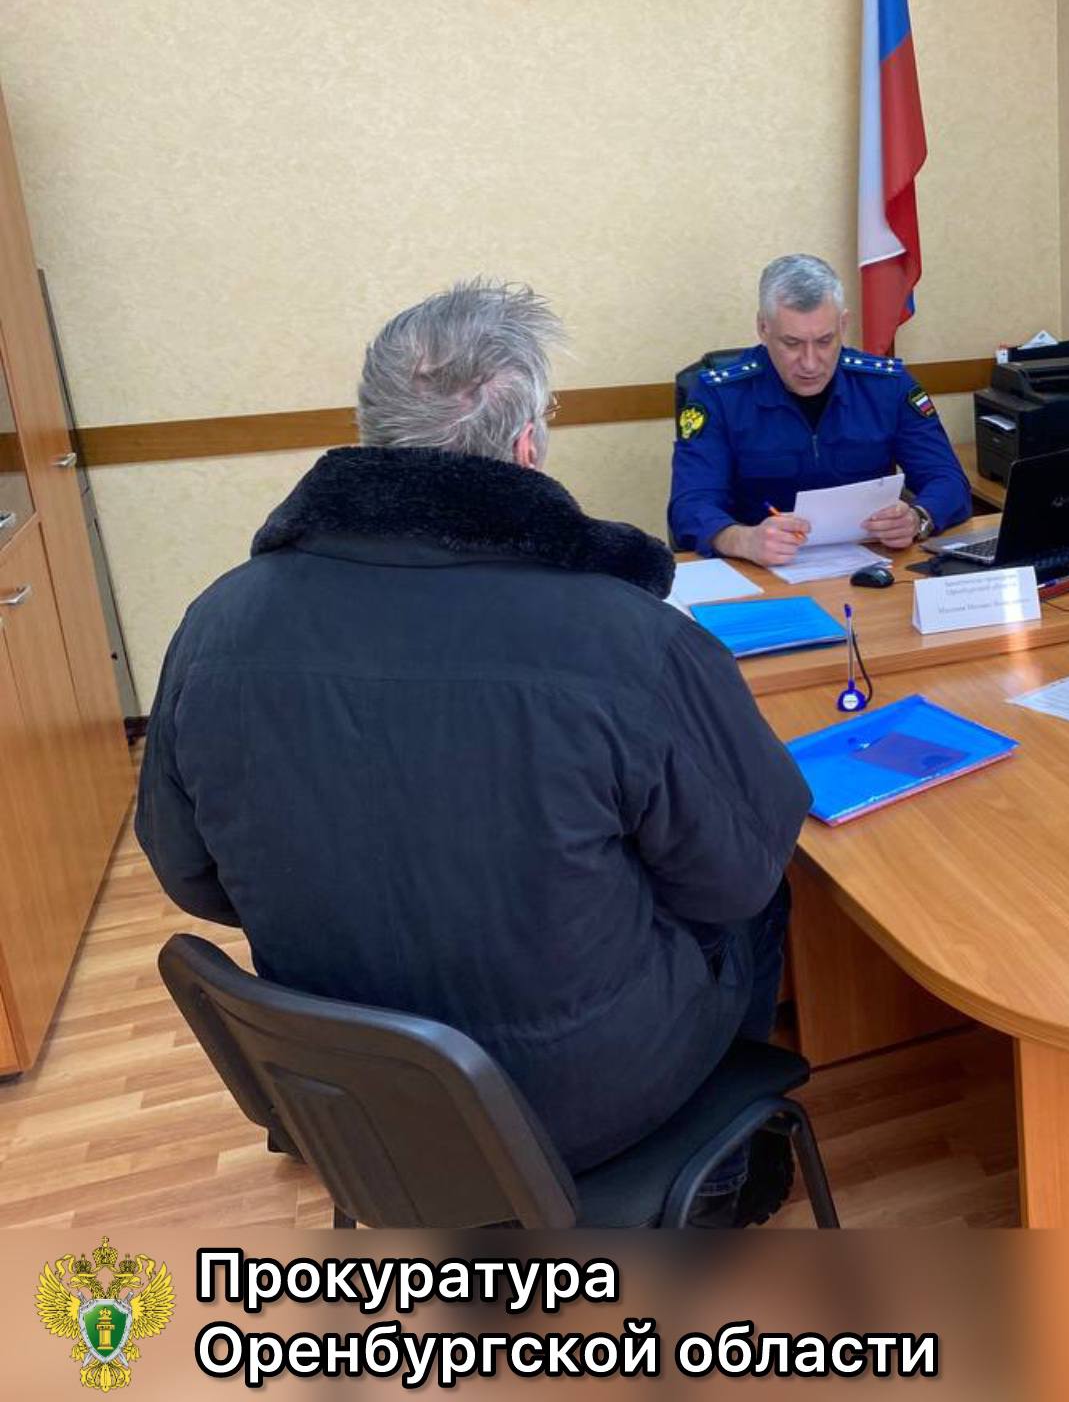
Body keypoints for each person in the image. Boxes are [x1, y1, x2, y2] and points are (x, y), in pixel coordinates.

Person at [137, 281, 810, 1225]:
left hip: (350, 1089)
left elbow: (190, 874)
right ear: (527, 447)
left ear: (374, 435)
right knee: (766, 896)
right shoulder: (628, 637)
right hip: (577, 1098)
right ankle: (725, 1172)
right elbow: (734, 878)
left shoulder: (217, 622)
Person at [668, 253, 972, 564]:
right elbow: (690, 504)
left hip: (870, 565)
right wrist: (742, 539)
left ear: (843, 325)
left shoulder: (887, 386)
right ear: (763, 328)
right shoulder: (720, 395)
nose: (811, 363)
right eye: (792, 343)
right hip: (757, 570)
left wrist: (919, 517)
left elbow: (948, 480)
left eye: (825, 341)